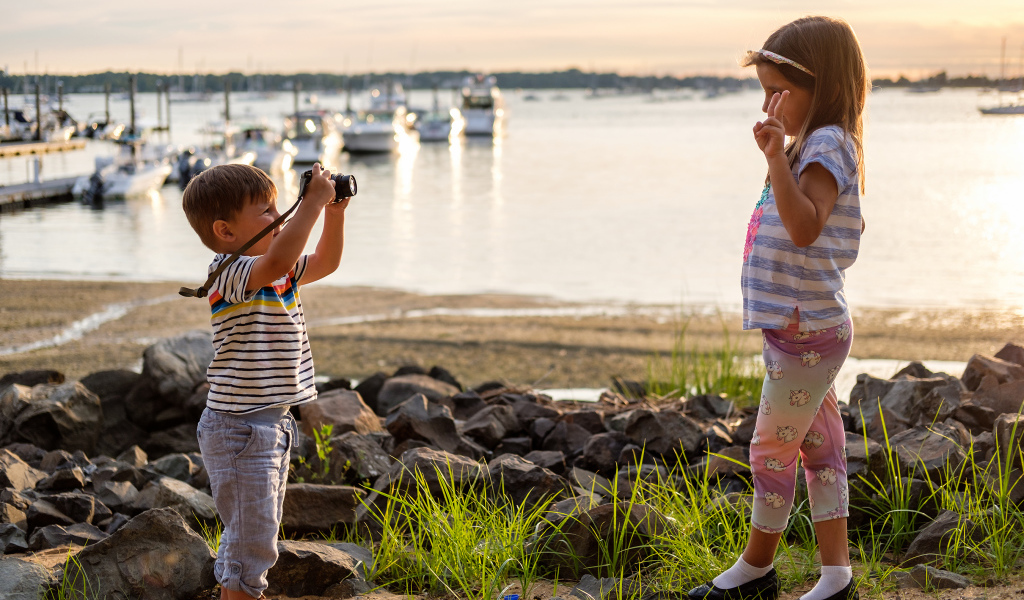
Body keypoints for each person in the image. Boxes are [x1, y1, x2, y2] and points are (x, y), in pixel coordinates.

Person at [687, 16, 868, 600]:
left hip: (806, 330)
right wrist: (777, 154)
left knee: (769, 450)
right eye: (764, 90)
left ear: (823, 86)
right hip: (799, 328)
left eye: (778, 92)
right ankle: (837, 576)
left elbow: (805, 226)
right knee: (819, 449)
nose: (769, 103)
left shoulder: (828, 143)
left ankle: (756, 568)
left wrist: (772, 161)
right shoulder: (806, 145)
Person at [181, 163, 348, 599]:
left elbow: (327, 261)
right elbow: (277, 257)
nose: (278, 218)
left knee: (256, 535)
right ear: (225, 232)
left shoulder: (281, 273)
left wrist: (334, 212)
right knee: (249, 543)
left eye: (278, 208)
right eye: (265, 212)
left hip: (271, 425)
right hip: (238, 429)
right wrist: (310, 203)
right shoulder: (230, 272)